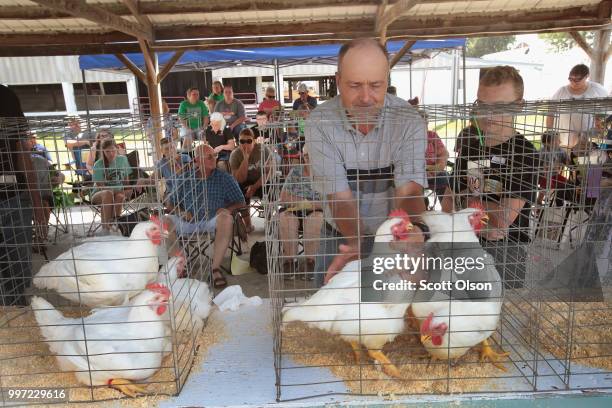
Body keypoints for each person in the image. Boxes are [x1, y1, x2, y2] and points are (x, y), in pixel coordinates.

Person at [305, 38, 427, 286]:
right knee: (327, 315)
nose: (366, 97)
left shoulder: (408, 120)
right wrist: (356, 243)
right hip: (340, 237)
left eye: (375, 85)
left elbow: (410, 192)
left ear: (387, 80)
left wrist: (414, 232)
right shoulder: (320, 122)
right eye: (354, 85)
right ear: (338, 81)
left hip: (394, 236)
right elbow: (339, 198)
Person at [441, 66, 539, 289]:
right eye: (483, 106)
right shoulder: (470, 147)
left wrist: (464, 202)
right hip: (463, 253)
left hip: (505, 260)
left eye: (499, 107)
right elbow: (447, 203)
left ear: (519, 106)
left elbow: (503, 221)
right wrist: (481, 213)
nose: (489, 115)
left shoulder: (525, 154)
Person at [166, 144, 246, 288]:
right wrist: (181, 212)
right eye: (209, 156)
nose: (214, 159)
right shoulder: (185, 178)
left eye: (214, 155)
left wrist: (226, 209)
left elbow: (241, 202)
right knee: (163, 222)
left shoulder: (224, 178)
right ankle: (179, 265)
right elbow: (169, 204)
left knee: (226, 218)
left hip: (211, 220)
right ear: (197, 160)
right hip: (188, 221)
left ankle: (215, 269)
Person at [0, 84, 45, 306]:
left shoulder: (6, 96)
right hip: (12, 200)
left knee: (18, 269)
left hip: (12, 197)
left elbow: (22, 149)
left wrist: (36, 202)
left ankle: (18, 313)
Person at [279, 146, 323, 280]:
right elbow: (283, 197)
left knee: (315, 220)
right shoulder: (295, 172)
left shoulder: (324, 172)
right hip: (294, 209)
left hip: (316, 210)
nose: (308, 158)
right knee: (286, 218)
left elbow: (327, 202)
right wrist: (304, 201)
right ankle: (290, 261)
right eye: (306, 155)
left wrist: (310, 204)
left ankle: (311, 262)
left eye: (311, 155)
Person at [547, 64, 608, 148]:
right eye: (571, 79)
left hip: (587, 142)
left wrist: (599, 123)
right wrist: (549, 133)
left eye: (577, 79)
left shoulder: (596, 89)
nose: (573, 82)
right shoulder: (562, 91)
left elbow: (604, 110)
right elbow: (550, 113)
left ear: (586, 76)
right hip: (564, 140)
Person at [230, 128, 273, 233]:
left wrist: (254, 188)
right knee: (238, 191)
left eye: (249, 141)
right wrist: (245, 159)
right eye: (242, 141)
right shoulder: (235, 155)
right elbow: (239, 179)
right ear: (238, 142)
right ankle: (248, 225)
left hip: (261, 181)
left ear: (254, 141)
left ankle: (270, 222)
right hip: (244, 183)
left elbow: (269, 172)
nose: (245, 144)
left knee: (269, 189)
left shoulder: (263, 150)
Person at [91, 138, 133, 235]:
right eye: (107, 151)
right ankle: (105, 228)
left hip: (117, 193)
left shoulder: (123, 160)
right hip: (99, 194)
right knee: (108, 193)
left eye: (113, 150)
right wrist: (118, 190)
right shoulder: (98, 164)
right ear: (103, 152)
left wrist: (128, 191)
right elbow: (100, 186)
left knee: (119, 197)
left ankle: (114, 227)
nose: (111, 153)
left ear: (117, 149)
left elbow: (126, 182)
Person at [156, 137, 191, 212]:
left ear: (175, 147)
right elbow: (155, 178)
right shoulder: (161, 163)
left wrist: (175, 164)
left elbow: (189, 177)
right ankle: (182, 215)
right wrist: (144, 180)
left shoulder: (186, 158)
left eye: (172, 147)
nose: (170, 150)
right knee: (168, 201)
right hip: (171, 192)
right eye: (166, 149)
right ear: (162, 151)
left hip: (187, 189)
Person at [425, 124, 451, 205]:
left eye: (426, 122)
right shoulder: (406, 137)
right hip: (413, 175)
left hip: (433, 172)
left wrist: (438, 166)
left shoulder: (432, 135)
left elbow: (444, 153)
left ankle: (446, 210)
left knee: (447, 179)